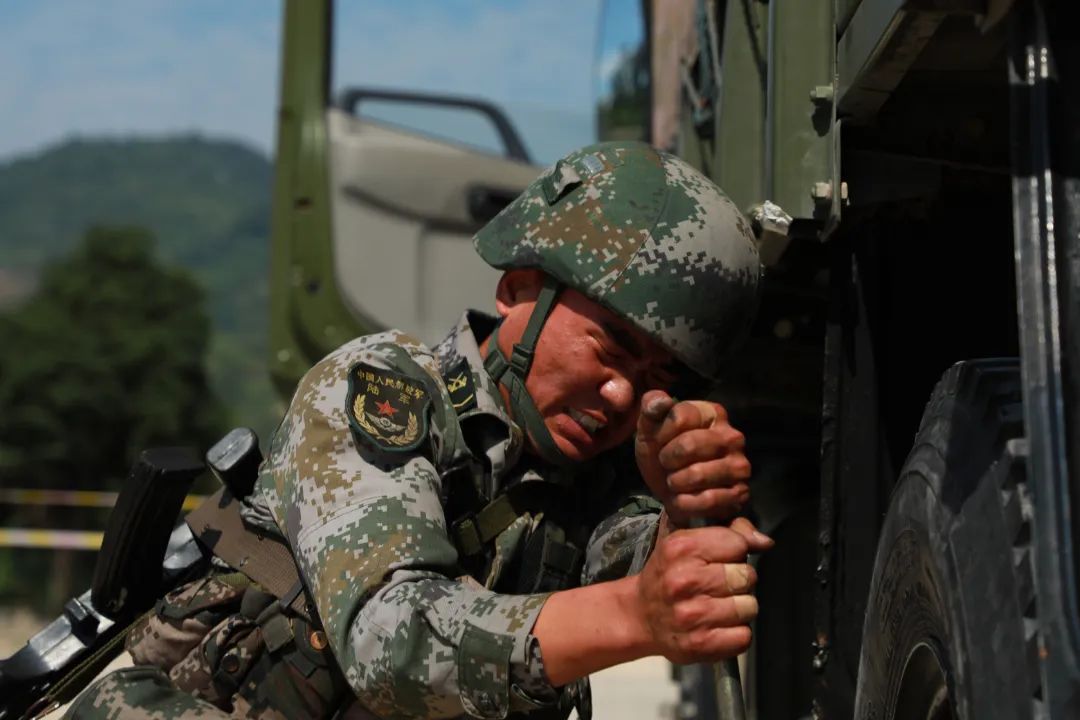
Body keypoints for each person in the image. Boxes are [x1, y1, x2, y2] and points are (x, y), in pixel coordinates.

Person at [66, 140, 767, 720]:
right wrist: (635, 614)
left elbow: (640, 558)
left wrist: (686, 514)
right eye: (611, 345)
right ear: (519, 288)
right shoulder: (385, 391)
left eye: (660, 377)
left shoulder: (593, 475)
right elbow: (389, 643)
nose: (622, 394)